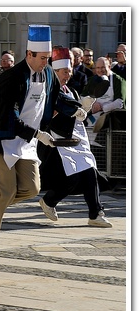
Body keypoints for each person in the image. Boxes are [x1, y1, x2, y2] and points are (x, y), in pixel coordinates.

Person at [0, 25, 60, 250]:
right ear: (29, 54)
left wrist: (77, 108)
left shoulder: (48, 72)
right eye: (42, 58)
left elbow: (57, 96)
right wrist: (37, 134)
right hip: (5, 139)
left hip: (28, 142)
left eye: (48, 58)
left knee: (32, 188)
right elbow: (8, 114)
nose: (45, 63)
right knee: (8, 190)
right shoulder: (13, 77)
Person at [38, 46, 112, 228]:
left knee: (89, 174)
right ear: (55, 72)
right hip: (59, 141)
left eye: (69, 71)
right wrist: (75, 111)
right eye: (64, 72)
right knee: (72, 179)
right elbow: (50, 116)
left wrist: (84, 107)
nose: (68, 75)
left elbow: (80, 115)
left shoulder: (71, 91)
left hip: (78, 140)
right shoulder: (47, 92)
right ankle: (49, 200)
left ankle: (95, 213)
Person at [82, 57, 126, 131]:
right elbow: (83, 97)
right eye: (98, 68)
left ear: (109, 67)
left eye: (103, 67)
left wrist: (102, 107)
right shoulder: (93, 80)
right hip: (94, 117)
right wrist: (92, 105)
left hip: (112, 119)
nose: (100, 70)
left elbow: (120, 102)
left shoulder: (118, 80)